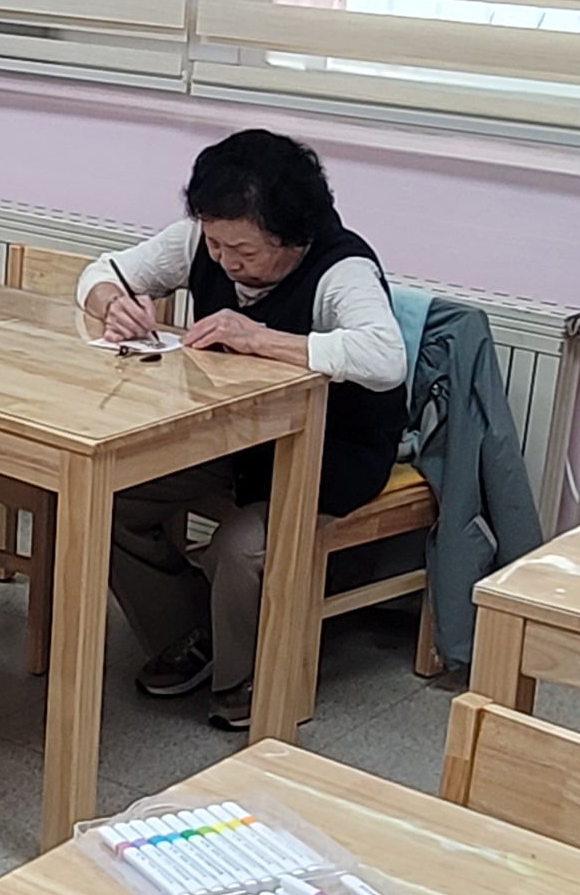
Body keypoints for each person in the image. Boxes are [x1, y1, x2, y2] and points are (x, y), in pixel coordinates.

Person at [78, 130, 409, 731]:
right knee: (113, 499)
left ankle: (241, 682)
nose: (226, 260)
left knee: (238, 545)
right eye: (215, 242)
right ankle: (192, 635)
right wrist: (111, 303)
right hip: (233, 439)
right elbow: (103, 272)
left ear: (292, 237)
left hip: (330, 453)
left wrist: (258, 338)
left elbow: (385, 358)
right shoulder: (202, 242)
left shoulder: (342, 268)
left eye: (245, 251)